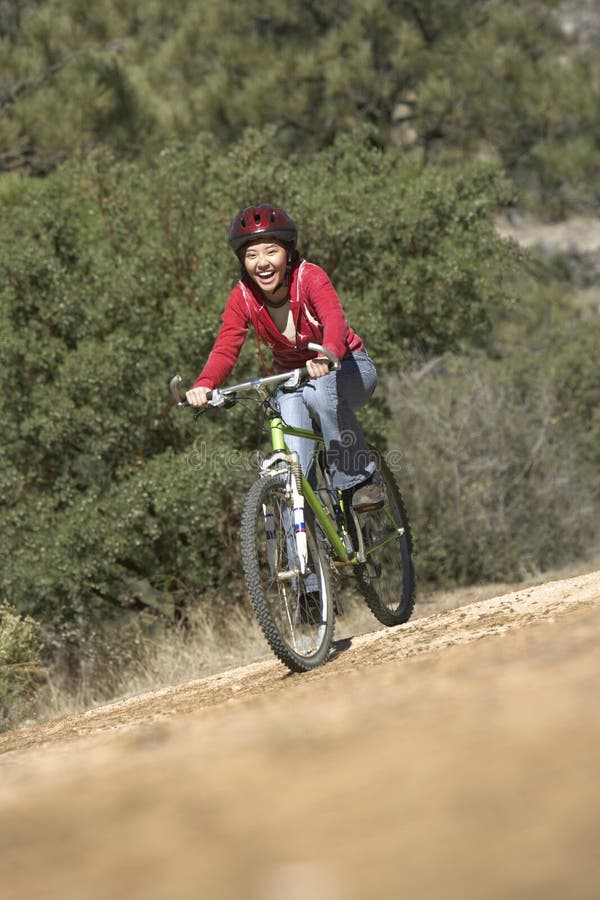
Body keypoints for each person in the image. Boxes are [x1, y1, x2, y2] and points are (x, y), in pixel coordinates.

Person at [186, 204, 383, 510]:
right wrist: (204, 384)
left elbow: (334, 319)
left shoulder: (310, 277)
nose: (261, 263)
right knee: (295, 480)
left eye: (270, 252)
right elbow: (226, 346)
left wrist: (328, 356)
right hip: (294, 382)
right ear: (242, 261)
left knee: (321, 393)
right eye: (251, 255)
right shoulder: (243, 297)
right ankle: (303, 553)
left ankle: (357, 481)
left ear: (288, 253)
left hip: (349, 367)